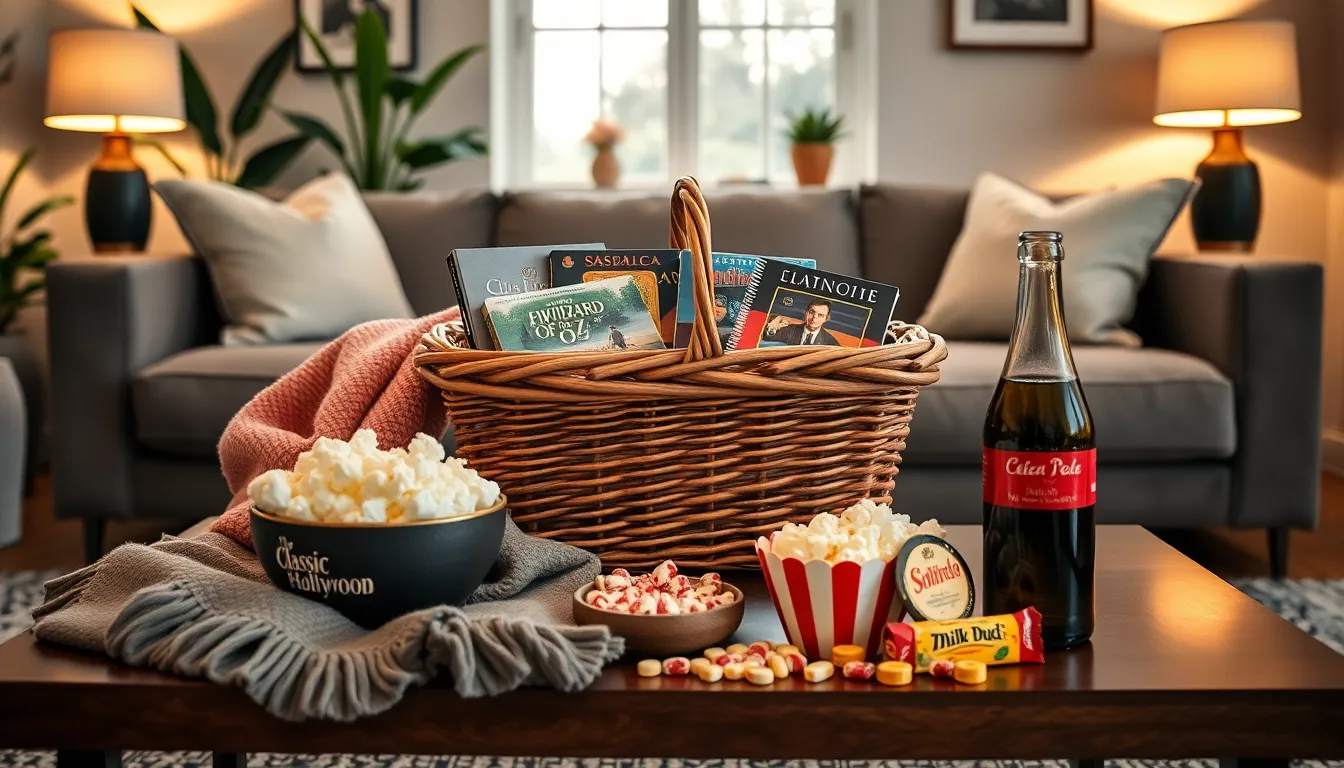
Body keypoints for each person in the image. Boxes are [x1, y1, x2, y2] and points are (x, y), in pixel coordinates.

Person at [765, 299, 840, 346]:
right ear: (806, 312)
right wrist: (776, 320)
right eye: (812, 312)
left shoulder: (830, 343)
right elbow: (767, 337)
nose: (815, 317)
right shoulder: (789, 330)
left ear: (826, 319)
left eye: (820, 315)